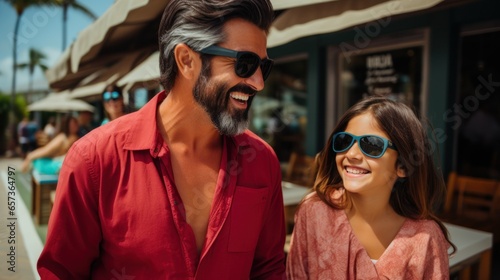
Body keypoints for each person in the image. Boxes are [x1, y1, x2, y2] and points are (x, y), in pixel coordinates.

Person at [38, 0, 285, 279]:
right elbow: (61, 273)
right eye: (245, 64)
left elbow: (268, 269)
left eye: (263, 67)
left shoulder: (262, 161)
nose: (258, 82)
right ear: (186, 60)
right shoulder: (94, 159)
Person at [286, 96, 456, 279]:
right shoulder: (314, 212)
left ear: (403, 166)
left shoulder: (426, 238)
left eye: (372, 145)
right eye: (344, 141)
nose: (351, 154)